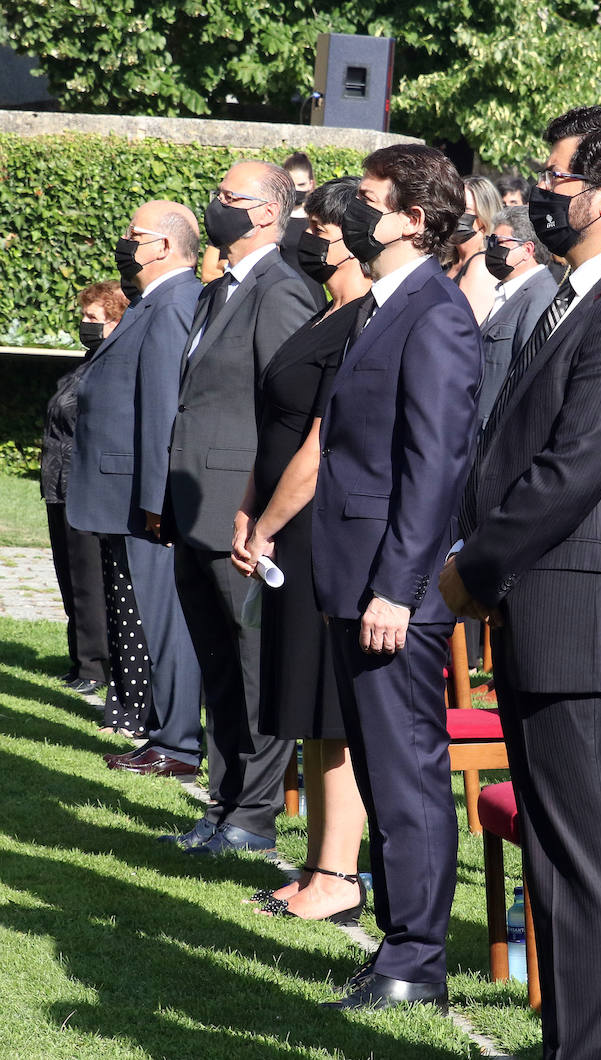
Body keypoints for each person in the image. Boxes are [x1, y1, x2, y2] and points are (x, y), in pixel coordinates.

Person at [440, 105, 601, 1056]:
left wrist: (473, 570)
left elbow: (572, 469)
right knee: (556, 861)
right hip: (547, 614)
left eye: (556, 179)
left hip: (585, 624)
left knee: (588, 869)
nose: (538, 192)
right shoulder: (582, 288)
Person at [313, 144, 481, 1010]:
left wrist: (398, 586)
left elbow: (436, 462)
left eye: (372, 199)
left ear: (414, 218)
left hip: (394, 590)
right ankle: (397, 942)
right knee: (383, 772)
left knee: (408, 775)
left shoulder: (436, 313)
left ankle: (417, 960)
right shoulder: (389, 305)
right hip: (357, 576)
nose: (354, 209)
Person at [160, 160, 316, 853]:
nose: (215, 205)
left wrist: (263, 513)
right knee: (217, 665)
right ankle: (223, 802)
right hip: (197, 504)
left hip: (241, 510)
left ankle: (254, 814)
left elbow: (286, 412)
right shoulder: (218, 290)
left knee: (254, 667)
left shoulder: (281, 290)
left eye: (229, 197)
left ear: (266, 213)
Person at [229, 176, 371, 923]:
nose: (307, 237)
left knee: (331, 711)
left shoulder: (364, 321)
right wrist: (249, 508)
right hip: (284, 524)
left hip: (316, 530)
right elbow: (273, 423)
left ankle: (339, 878)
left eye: (319, 227)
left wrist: (269, 524)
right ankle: (320, 865)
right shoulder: (326, 312)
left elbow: (319, 445)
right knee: (307, 713)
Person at [70, 206, 202, 772]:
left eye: (135, 236)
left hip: (143, 497)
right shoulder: (152, 301)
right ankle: (159, 731)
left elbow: (162, 410)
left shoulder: (173, 303)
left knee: (162, 618)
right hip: (124, 493)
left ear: (166, 246)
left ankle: (178, 743)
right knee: (146, 615)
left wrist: (156, 501)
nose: (125, 243)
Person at [42, 282, 122, 696]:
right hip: (59, 485)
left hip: (84, 486)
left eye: (94, 318)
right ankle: (80, 660)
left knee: (90, 580)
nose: (85, 324)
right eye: (85, 316)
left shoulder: (111, 368)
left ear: (115, 321)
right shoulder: (84, 364)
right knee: (68, 577)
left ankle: (95, 667)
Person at [478, 204, 558, 426]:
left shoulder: (540, 297)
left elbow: (526, 377)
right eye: (490, 242)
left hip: (493, 432)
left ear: (527, 250)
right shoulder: (510, 291)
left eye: (499, 243)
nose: (491, 249)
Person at [450, 175, 503, 323]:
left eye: (465, 209)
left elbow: (465, 328)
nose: (456, 214)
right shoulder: (450, 261)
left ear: (484, 216)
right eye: (454, 206)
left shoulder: (481, 266)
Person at [281, 151, 327, 309]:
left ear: (311, 184)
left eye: (301, 185)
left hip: (314, 294)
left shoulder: (320, 219)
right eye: (290, 184)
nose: (295, 190)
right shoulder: (277, 219)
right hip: (284, 293)